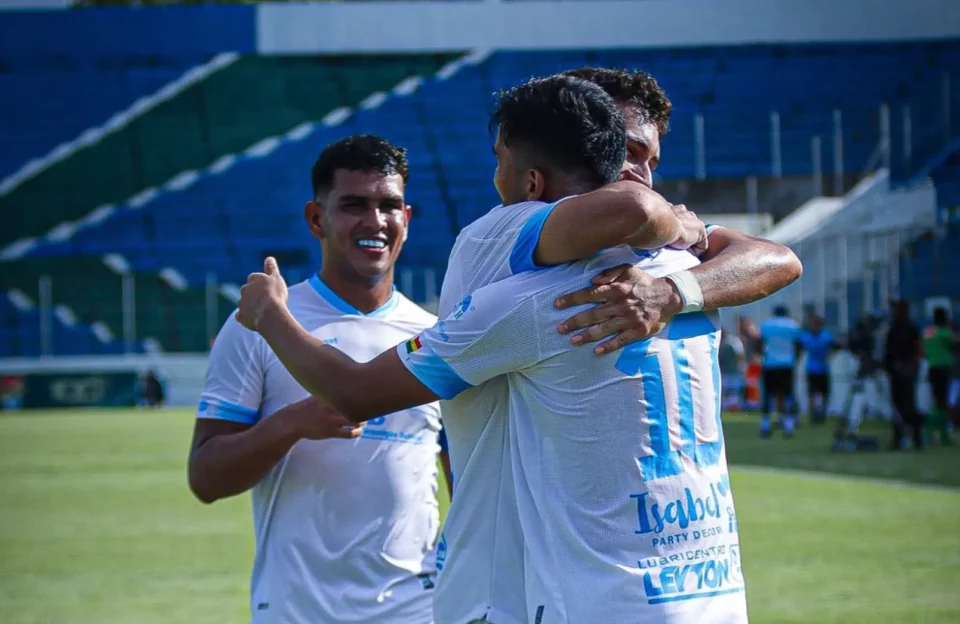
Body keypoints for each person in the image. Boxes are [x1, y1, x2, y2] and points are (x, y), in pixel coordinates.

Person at [187, 135, 449, 623]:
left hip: (415, 610)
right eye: (354, 205)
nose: (375, 222)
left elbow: (469, 483)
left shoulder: (434, 336)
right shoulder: (262, 322)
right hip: (296, 609)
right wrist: (292, 423)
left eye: (389, 206)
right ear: (316, 219)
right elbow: (205, 478)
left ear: (407, 221)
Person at [885, 299, 923, 450]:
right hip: (894, 372)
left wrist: (911, 367)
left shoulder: (911, 328)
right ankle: (898, 439)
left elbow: (918, 350)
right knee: (896, 406)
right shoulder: (892, 328)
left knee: (908, 406)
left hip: (907, 372)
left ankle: (917, 438)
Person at [758, 305, 801, 437]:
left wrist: (762, 356)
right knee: (787, 394)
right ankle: (788, 425)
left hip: (770, 363)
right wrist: (795, 359)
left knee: (768, 394)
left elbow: (760, 343)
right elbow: (798, 344)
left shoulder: (766, 324)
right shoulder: (793, 325)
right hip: (787, 364)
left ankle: (765, 424)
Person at [922, 306, 955, 445]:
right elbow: (953, 344)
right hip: (943, 368)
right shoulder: (946, 332)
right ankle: (933, 433)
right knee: (942, 402)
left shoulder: (928, 331)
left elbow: (923, 345)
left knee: (937, 401)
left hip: (932, 367)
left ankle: (938, 434)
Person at [799, 315, 834, 424]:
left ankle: (822, 413)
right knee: (812, 393)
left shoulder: (826, 336)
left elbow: (831, 349)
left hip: (823, 368)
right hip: (812, 369)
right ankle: (813, 415)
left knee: (824, 393)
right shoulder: (807, 336)